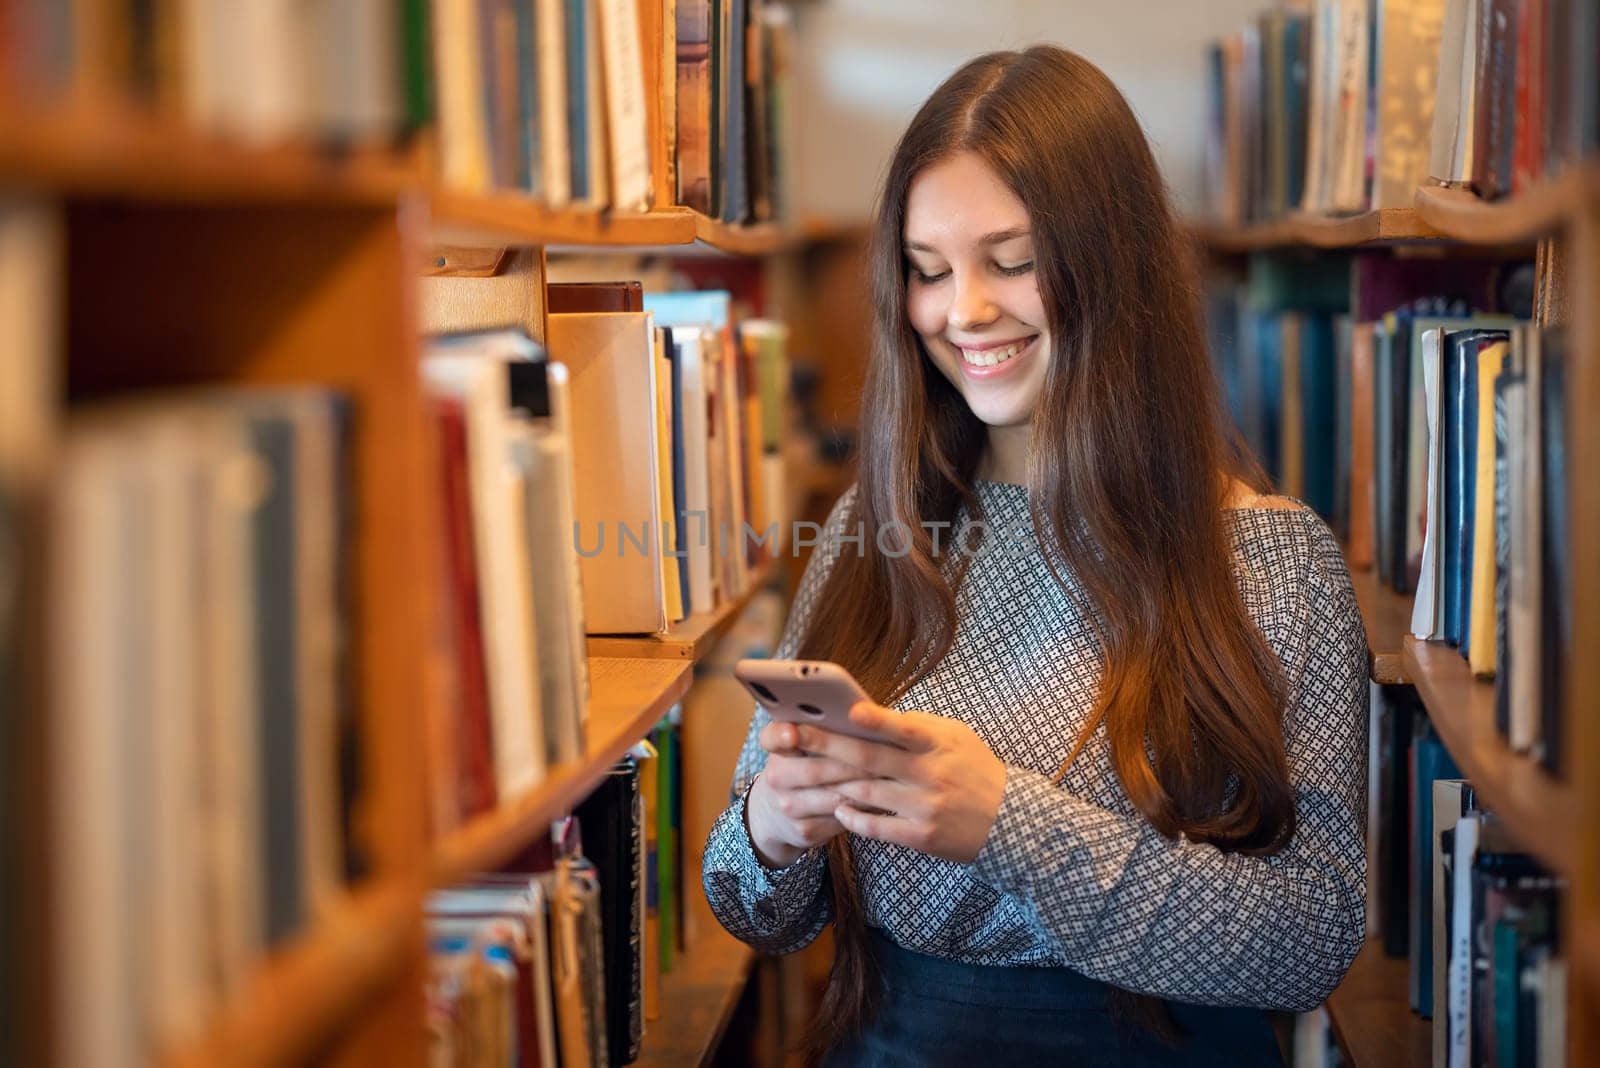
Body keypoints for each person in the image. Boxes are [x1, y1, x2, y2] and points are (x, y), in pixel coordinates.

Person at [702, 45, 1367, 1066]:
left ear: (1111, 261)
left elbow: (1309, 939)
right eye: (926, 271)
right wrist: (769, 829)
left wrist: (1008, 824)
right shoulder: (868, 538)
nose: (962, 310)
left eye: (1010, 262)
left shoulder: (1270, 561)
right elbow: (753, 912)